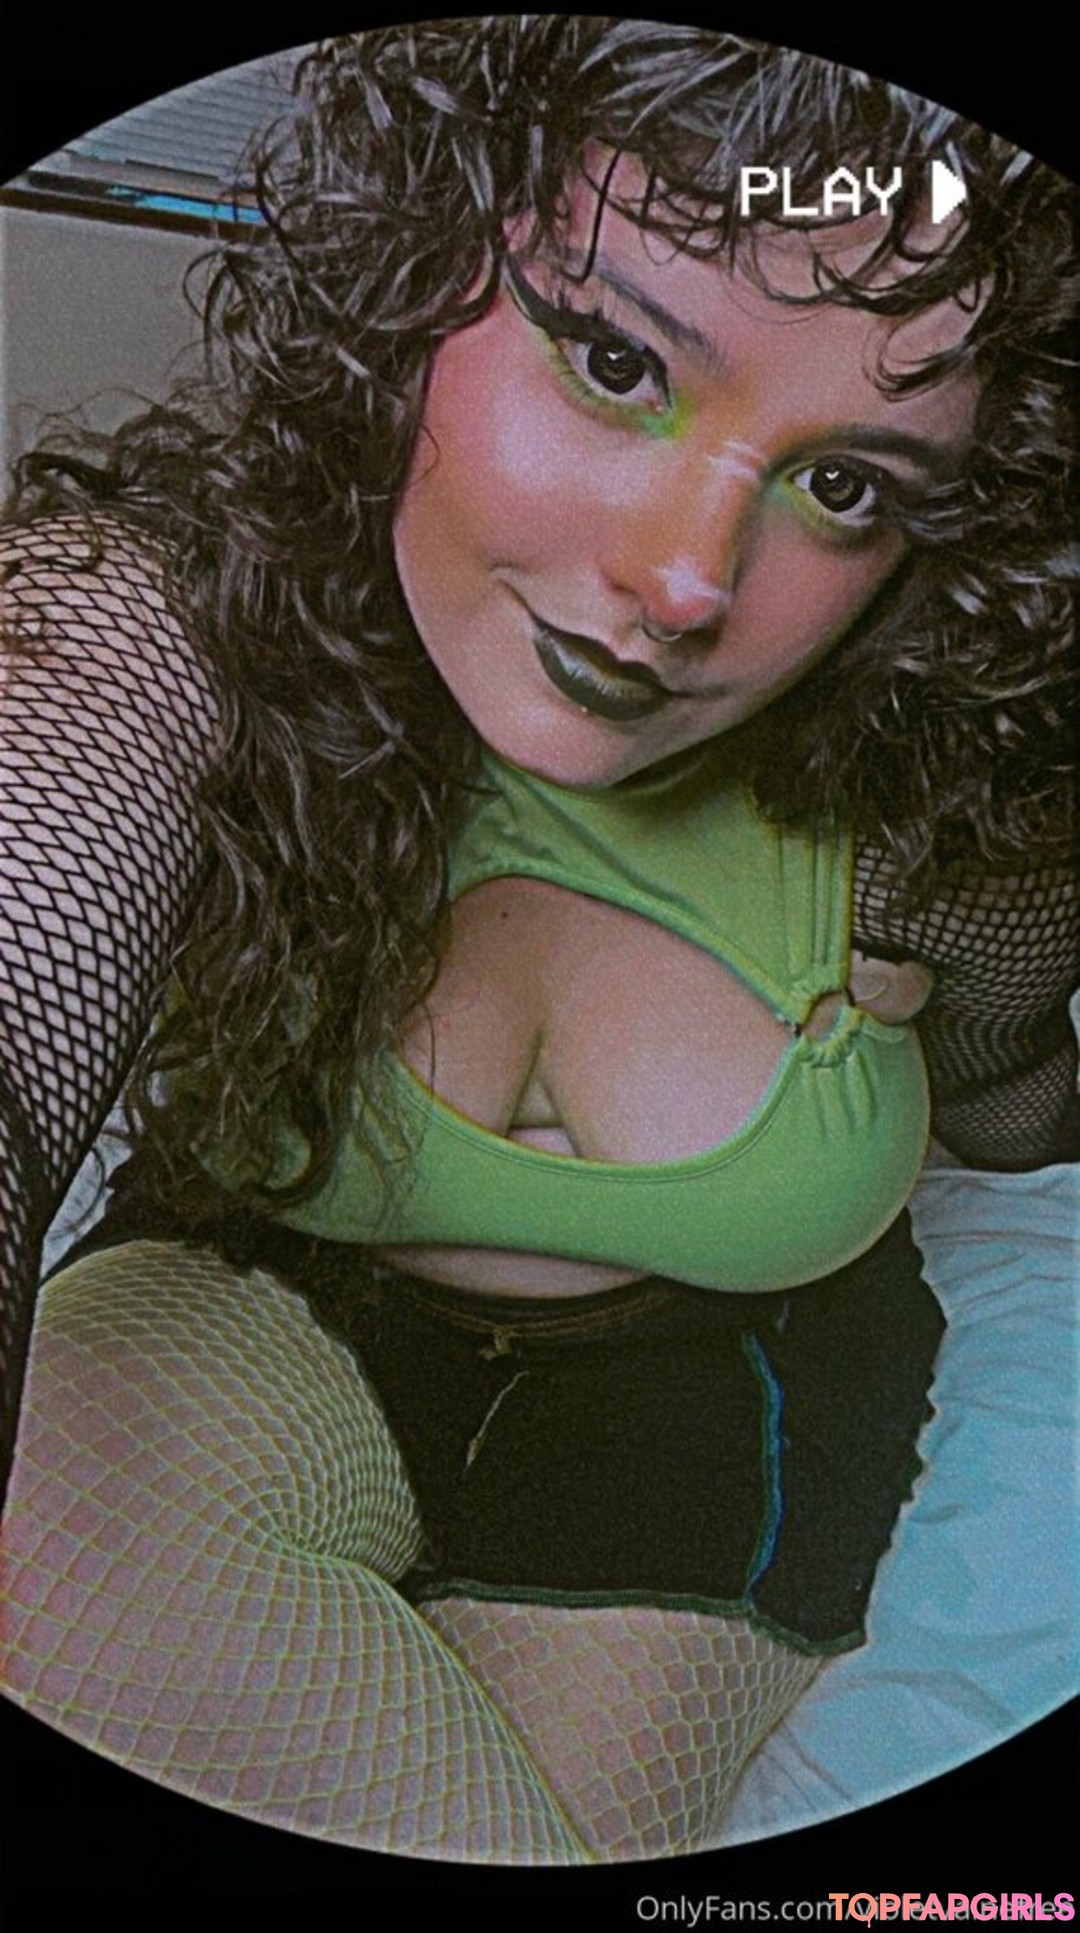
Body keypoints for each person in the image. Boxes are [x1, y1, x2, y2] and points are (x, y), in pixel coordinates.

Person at [0, 18, 1075, 1866]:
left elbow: (1016, 1094)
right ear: (421, 265)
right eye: (617, 359)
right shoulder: (161, 619)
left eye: (845, 485)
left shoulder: (936, 805)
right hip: (246, 1307)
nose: (687, 578)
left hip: (720, 1401)